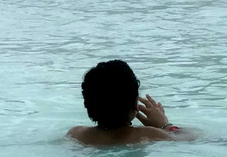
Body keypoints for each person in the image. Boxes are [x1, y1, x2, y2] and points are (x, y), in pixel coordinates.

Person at [66, 60, 194, 146]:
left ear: (87, 103)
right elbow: (192, 139)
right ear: (134, 104)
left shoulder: (76, 134)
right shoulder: (149, 134)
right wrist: (165, 125)